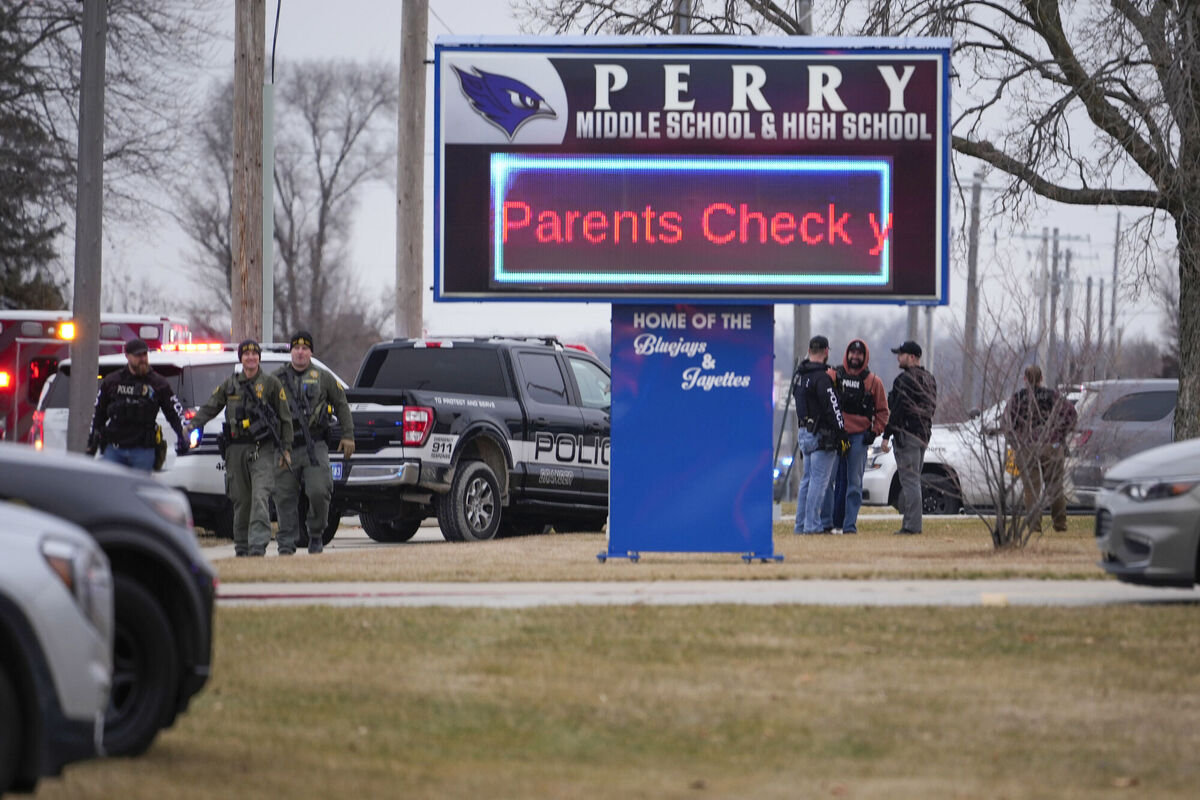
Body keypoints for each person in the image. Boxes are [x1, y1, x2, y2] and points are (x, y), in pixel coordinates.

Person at [188, 339, 293, 557]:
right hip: (235, 449)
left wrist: (286, 448)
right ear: (241, 358)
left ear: (259, 358)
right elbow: (210, 407)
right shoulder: (230, 384)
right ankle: (242, 546)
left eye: (254, 354)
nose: (250, 357)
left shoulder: (271, 383)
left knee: (260, 497)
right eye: (246, 354)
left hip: (261, 449)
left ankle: (257, 546)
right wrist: (191, 426)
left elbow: (285, 418)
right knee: (241, 500)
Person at [273, 330, 355, 555]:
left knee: (320, 490)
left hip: (315, 445)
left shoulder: (323, 377)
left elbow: (341, 404)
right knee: (284, 496)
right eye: (296, 348)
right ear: (291, 351)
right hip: (286, 447)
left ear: (310, 352)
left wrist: (348, 435)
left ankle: (316, 534)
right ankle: (286, 542)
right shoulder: (276, 379)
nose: (300, 352)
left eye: (305, 348)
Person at [820, 339, 890, 534]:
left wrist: (874, 431)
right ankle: (826, 523)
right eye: (852, 353)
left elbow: (883, 412)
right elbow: (821, 400)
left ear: (865, 356)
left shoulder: (874, 381)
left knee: (855, 484)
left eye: (859, 354)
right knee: (826, 481)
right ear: (847, 354)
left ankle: (849, 526)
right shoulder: (833, 375)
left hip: (860, 437)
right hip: (835, 435)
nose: (855, 357)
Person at [87, 338, 189, 471]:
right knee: (110, 490)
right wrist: (91, 441)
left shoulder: (158, 383)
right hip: (114, 450)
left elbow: (174, 412)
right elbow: (99, 413)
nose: (142, 359)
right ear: (127, 356)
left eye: (144, 355)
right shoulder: (112, 381)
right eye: (138, 355)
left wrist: (183, 435)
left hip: (143, 452)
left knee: (137, 491)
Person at [1003, 364, 1078, 533]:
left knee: (1031, 489)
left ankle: (1034, 528)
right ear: (1041, 378)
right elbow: (1071, 414)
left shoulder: (1017, 398)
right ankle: (1060, 525)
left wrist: (1015, 442)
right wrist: (1060, 434)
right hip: (1051, 445)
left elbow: (1006, 423)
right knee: (1055, 487)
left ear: (1024, 379)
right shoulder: (1053, 396)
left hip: (1026, 446)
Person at [792, 334, 846, 535]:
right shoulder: (823, 378)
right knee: (819, 482)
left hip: (804, 432)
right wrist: (841, 433)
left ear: (809, 350)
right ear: (825, 352)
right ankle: (812, 526)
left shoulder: (800, 375)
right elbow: (833, 407)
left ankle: (800, 526)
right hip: (822, 436)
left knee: (807, 480)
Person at [883, 340, 938, 535]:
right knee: (914, 480)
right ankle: (911, 523)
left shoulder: (904, 380)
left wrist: (886, 435)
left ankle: (912, 527)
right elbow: (932, 407)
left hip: (907, 435)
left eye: (901, 354)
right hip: (923, 435)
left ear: (912, 357)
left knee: (910, 482)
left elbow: (897, 410)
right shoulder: (929, 379)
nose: (898, 357)